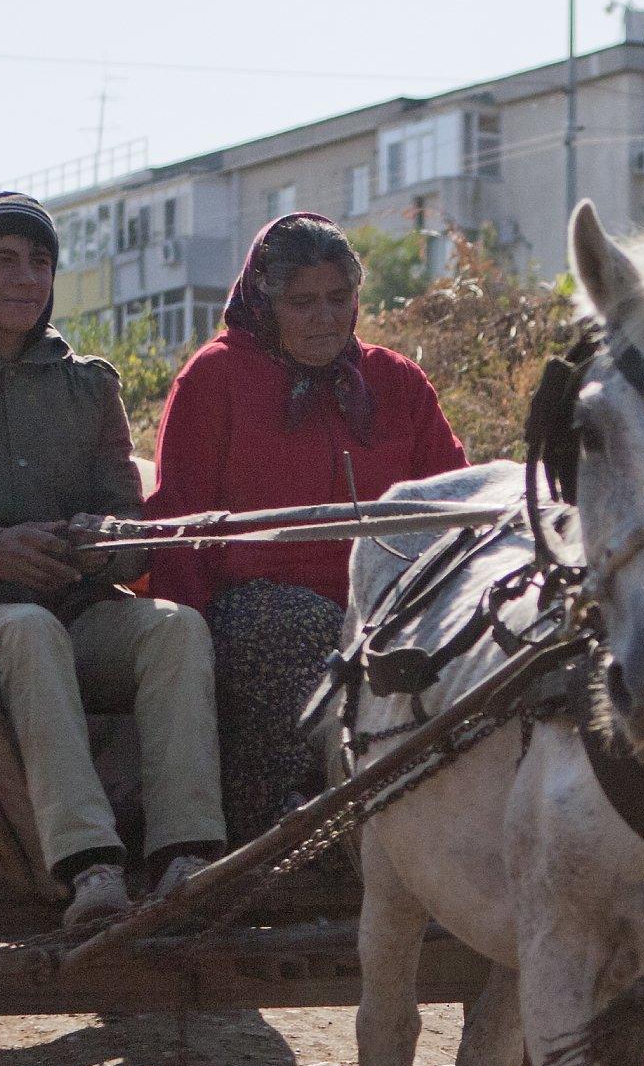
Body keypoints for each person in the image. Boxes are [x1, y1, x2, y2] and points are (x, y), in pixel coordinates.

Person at [0, 192, 224, 927]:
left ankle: (187, 859)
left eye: (41, 262)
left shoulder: (89, 386)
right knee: (28, 628)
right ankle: (90, 866)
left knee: (175, 628)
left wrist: (100, 541)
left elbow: (135, 539)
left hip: (76, 617)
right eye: (4, 261)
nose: (26, 277)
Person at [144, 212, 466, 841]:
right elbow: (176, 522)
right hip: (253, 611)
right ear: (265, 301)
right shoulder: (214, 379)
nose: (325, 318)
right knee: (309, 633)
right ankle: (293, 825)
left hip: (386, 603)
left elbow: (452, 499)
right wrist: (189, 645)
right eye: (303, 302)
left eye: (338, 298)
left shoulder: (394, 382)